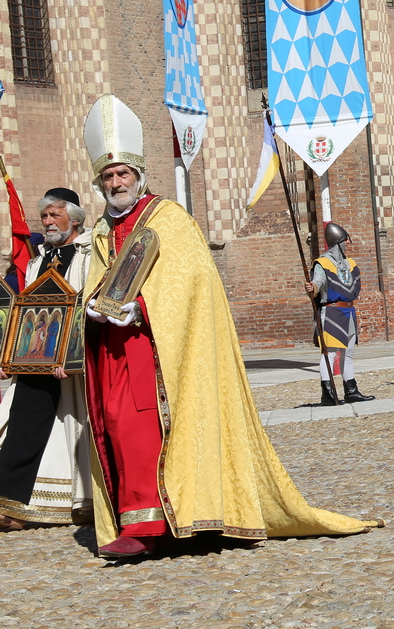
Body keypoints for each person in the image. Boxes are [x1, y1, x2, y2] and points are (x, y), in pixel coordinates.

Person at [80, 95, 378, 559]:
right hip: (115, 352)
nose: (116, 182)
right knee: (119, 428)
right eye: (108, 176)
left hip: (162, 350)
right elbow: (96, 282)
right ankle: (138, 519)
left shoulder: (168, 219)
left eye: (123, 174)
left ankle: (156, 527)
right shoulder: (101, 230)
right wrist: (93, 308)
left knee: (155, 429)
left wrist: (143, 307)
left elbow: (192, 283)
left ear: (139, 176)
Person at [0, 188, 92, 530]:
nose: (48, 222)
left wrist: (70, 356)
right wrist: (10, 353)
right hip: (34, 359)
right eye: (45, 216)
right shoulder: (39, 258)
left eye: (55, 215)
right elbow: (25, 311)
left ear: (76, 218)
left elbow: (89, 305)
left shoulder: (88, 255)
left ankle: (76, 502)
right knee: (23, 423)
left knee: (73, 430)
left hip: (71, 365)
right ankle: (12, 502)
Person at [304, 222, 374, 406]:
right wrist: (313, 287)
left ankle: (351, 391)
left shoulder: (350, 263)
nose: (348, 243)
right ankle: (328, 394)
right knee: (331, 354)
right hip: (332, 312)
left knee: (347, 354)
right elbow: (318, 282)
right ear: (338, 242)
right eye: (345, 240)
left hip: (349, 310)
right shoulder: (322, 263)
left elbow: (355, 285)